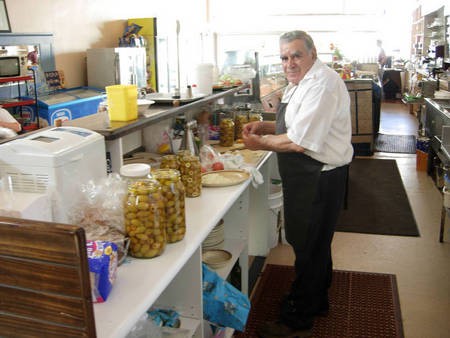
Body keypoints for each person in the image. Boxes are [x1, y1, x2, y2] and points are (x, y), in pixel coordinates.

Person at [242, 30, 353, 338]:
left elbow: (299, 141)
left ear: (312, 54)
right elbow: (292, 123)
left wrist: (259, 143)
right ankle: (316, 301)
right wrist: (264, 125)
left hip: (319, 177)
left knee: (307, 247)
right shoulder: (300, 81)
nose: (289, 62)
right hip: (307, 176)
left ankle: (298, 319)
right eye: (284, 57)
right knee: (314, 245)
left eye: (296, 55)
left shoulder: (322, 84)